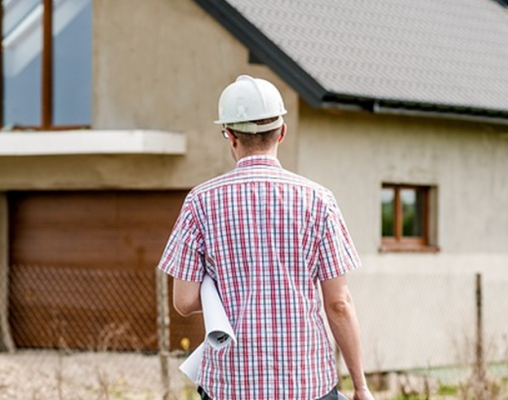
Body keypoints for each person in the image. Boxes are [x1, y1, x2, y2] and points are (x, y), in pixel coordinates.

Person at [158, 75, 375, 400]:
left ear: (229, 136)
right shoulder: (318, 201)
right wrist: (360, 386)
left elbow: (184, 301)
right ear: (282, 132)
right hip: (307, 384)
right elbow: (338, 303)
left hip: (230, 387)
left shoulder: (200, 202)